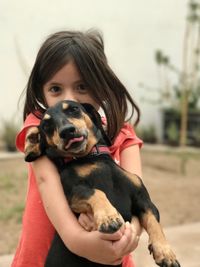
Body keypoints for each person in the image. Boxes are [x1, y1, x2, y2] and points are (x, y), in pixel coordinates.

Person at [12, 30, 143, 267]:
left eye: (82, 87)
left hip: (112, 256)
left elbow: (137, 195)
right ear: (41, 91)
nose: (70, 98)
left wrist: (127, 238)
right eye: (55, 89)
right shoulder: (42, 129)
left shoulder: (122, 133)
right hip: (46, 259)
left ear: (101, 88)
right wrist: (80, 242)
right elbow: (45, 181)